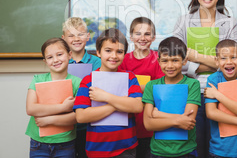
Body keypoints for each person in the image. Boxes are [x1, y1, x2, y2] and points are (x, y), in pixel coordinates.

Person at [173, 0, 237, 158]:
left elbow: (233, 64)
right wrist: (214, 63)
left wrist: (195, 56)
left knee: (219, 149)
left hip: (222, 94)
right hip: (190, 94)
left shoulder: (229, 23)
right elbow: (175, 62)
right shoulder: (183, 21)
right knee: (195, 148)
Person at [73, 28, 143, 158]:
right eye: (108, 50)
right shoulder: (88, 80)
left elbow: (137, 106)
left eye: (119, 52)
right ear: (98, 52)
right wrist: (120, 103)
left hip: (126, 149)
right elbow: (81, 117)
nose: (114, 56)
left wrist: (105, 97)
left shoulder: (130, 77)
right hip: (97, 149)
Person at [142, 36, 201, 157]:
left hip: (186, 151)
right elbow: (148, 124)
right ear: (158, 61)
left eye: (175, 60)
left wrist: (158, 115)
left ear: (184, 61)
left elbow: (188, 122)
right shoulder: (151, 85)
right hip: (158, 151)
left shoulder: (193, 84)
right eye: (165, 61)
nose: (169, 66)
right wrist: (178, 120)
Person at [25, 38, 81, 158]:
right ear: (45, 61)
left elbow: (78, 116)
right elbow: (31, 109)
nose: (55, 60)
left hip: (65, 143)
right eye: (50, 57)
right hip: (38, 143)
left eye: (59, 54)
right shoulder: (37, 79)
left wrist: (48, 120)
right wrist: (63, 107)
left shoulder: (78, 83)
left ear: (69, 54)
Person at [120, 17, 164, 158]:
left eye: (147, 34)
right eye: (138, 33)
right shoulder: (123, 60)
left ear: (154, 37)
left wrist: (131, 87)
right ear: (131, 36)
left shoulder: (159, 59)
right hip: (128, 124)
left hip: (152, 123)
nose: (142, 38)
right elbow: (118, 88)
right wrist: (147, 86)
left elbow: (160, 88)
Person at [204, 39, 237, 158]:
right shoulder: (213, 80)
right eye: (223, 58)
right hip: (218, 150)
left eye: (233, 57)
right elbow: (211, 113)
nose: (229, 62)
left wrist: (217, 95)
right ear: (216, 61)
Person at [62, 17, 101, 157]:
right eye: (71, 35)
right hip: (66, 124)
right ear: (63, 38)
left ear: (88, 36)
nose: (76, 39)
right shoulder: (61, 62)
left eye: (80, 34)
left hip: (89, 125)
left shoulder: (98, 62)